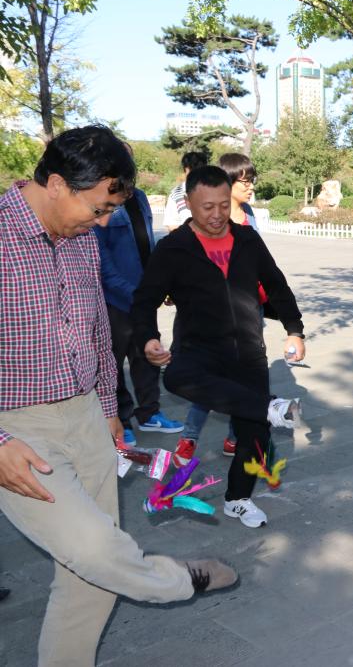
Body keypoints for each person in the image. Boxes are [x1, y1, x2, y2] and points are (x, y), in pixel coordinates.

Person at [0, 126, 236, 666]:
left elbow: (96, 333)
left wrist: (110, 409)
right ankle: (177, 579)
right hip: (20, 433)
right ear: (57, 184)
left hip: (87, 416)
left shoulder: (82, 238)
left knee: (89, 581)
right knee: (96, 550)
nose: (104, 223)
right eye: (99, 208)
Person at [132, 165, 305, 529]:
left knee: (254, 433)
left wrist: (294, 330)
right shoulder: (174, 248)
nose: (216, 214)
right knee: (175, 377)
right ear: (189, 203)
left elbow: (276, 285)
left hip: (248, 349)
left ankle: (238, 499)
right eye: (207, 207)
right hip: (199, 348)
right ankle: (269, 407)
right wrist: (148, 338)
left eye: (223, 205)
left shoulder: (247, 240)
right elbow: (144, 300)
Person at [176, 152, 259, 461]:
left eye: (252, 181)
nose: (250, 187)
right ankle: (189, 438)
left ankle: (234, 438)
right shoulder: (206, 221)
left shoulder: (249, 215)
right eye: (244, 181)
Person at [94, 184, 184, 447]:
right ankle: (121, 420)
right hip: (116, 300)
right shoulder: (104, 200)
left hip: (143, 295)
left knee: (148, 355)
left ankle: (149, 413)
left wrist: (161, 285)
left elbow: (147, 242)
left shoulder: (141, 197)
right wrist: (137, 294)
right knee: (114, 363)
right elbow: (103, 263)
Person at [163, 151, 208, 231]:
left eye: (199, 168)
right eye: (192, 169)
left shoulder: (213, 190)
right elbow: (172, 225)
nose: (196, 173)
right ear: (185, 169)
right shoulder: (176, 193)